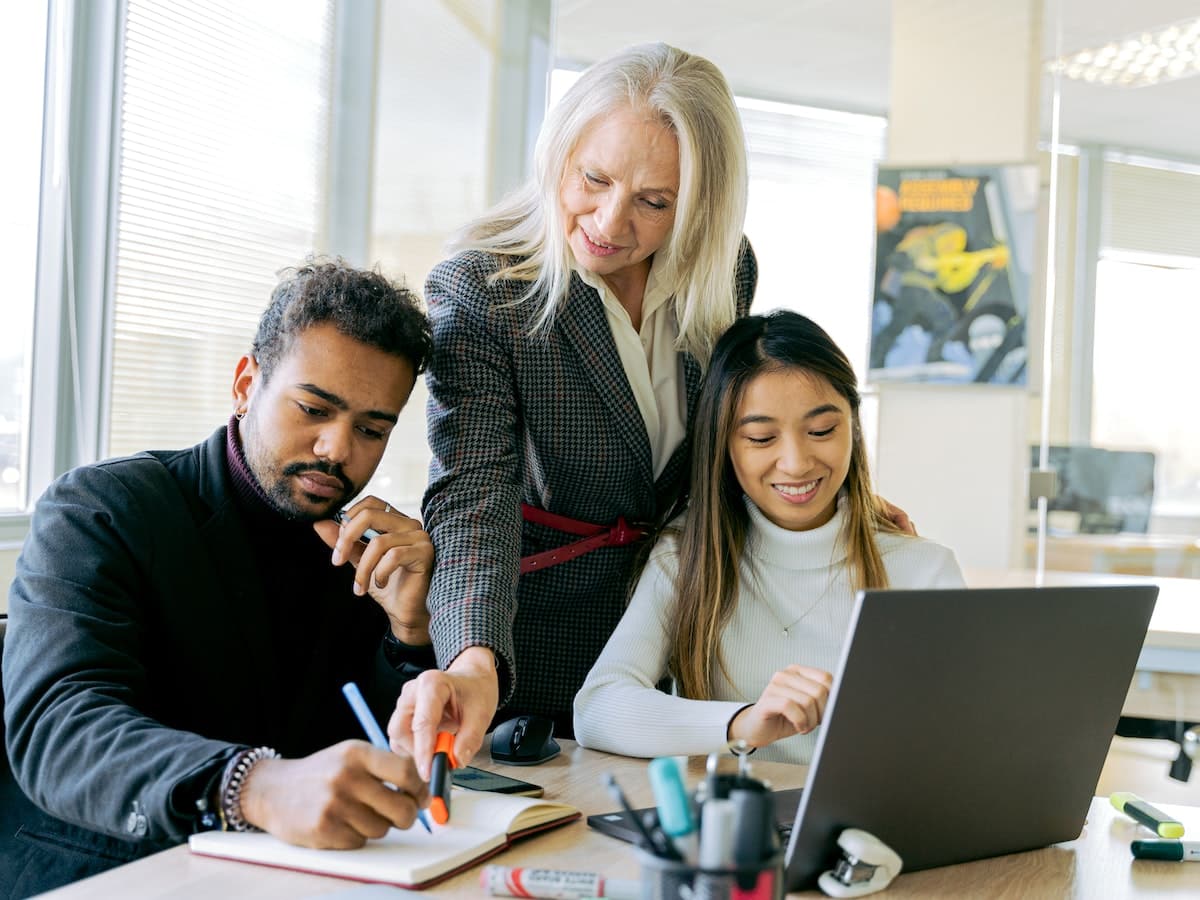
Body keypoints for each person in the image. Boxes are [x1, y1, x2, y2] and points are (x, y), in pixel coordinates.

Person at [1, 261, 436, 897]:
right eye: (314, 408)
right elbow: (59, 725)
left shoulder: (363, 554)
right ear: (245, 384)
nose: (338, 449)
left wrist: (409, 633)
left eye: (372, 429)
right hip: (107, 876)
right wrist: (252, 785)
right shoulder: (102, 508)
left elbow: (359, 753)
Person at [388, 42, 759, 776]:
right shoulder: (485, 288)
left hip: (680, 661)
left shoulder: (724, 270)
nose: (610, 222)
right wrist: (473, 658)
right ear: (559, 153)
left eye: (656, 203)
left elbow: (731, 435)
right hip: (537, 660)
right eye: (593, 178)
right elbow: (472, 493)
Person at [573, 310, 964, 765]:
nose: (796, 463)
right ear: (723, 444)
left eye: (822, 431)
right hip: (734, 828)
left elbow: (967, 741)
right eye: (761, 438)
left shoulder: (924, 570)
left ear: (853, 427)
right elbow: (597, 708)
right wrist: (742, 722)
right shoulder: (686, 558)